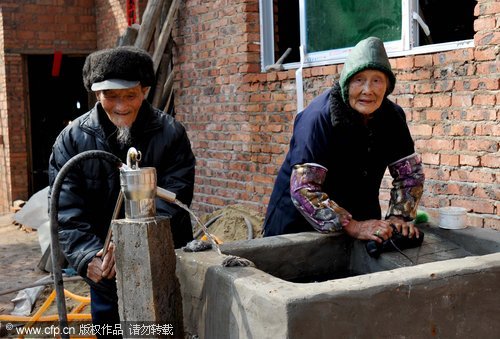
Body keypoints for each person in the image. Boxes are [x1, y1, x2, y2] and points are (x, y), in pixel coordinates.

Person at [48, 46, 196, 332]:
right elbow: (65, 209)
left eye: (130, 95)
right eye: (111, 96)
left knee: (165, 328)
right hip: (105, 270)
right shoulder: (71, 141)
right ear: (96, 94)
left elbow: (175, 198)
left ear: (144, 91)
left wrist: (132, 243)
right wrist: (87, 255)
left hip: (162, 262)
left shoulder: (170, 134)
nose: (121, 106)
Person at [263, 37, 425, 245]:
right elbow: (305, 189)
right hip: (297, 229)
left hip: (360, 223)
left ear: (387, 86)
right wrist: (352, 225)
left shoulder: (392, 117)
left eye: (377, 80)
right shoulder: (318, 118)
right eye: (359, 80)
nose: (368, 89)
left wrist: (399, 217)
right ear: (346, 83)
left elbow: (410, 174)